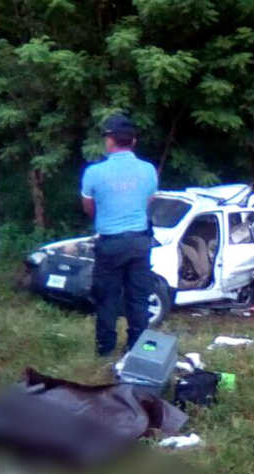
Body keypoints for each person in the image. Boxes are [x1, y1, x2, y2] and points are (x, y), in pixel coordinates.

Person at [80, 114, 158, 356]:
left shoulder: (94, 172)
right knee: (138, 298)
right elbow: (148, 202)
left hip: (110, 243)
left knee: (107, 297)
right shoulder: (148, 170)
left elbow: (88, 207)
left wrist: (107, 215)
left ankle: (105, 348)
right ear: (133, 141)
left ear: (110, 140)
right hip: (140, 241)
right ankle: (137, 348)